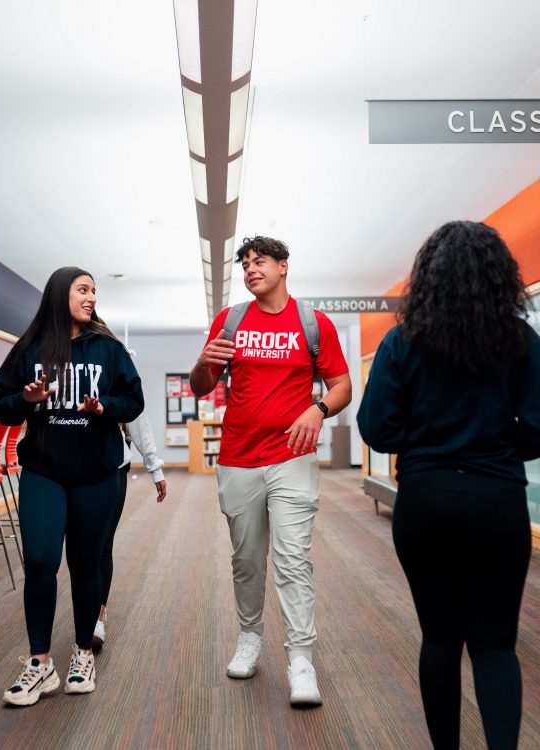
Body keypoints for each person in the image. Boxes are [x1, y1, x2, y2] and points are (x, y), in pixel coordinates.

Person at [358, 220, 540, 749]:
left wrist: (425, 444)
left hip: (424, 502)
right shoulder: (521, 342)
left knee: (441, 637)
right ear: (500, 277)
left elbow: (376, 428)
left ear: (427, 277)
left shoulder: (400, 342)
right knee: (496, 644)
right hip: (497, 502)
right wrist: (495, 447)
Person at [191, 236, 351, 707]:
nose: (250, 269)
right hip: (239, 458)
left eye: (259, 261)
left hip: (292, 458)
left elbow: (341, 384)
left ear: (284, 267)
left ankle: (301, 659)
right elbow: (203, 386)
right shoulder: (231, 320)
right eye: (245, 263)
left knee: (293, 558)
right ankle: (249, 637)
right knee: (246, 558)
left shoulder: (312, 323)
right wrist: (203, 364)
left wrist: (318, 409)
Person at [0, 267, 143, 707]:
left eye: (94, 290)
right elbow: (3, 407)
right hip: (44, 470)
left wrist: (103, 406)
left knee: (85, 563)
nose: (92, 296)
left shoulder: (108, 348)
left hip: (95, 473)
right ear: (61, 294)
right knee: (39, 560)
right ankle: (40, 664)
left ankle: (81, 653)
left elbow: (134, 401)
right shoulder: (31, 347)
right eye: (83, 289)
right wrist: (27, 400)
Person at [94, 413, 167, 649]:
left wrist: (155, 469)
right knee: (82, 545)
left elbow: (138, 420)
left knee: (103, 542)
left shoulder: (118, 376)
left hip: (112, 466)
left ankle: (98, 615)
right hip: (68, 470)